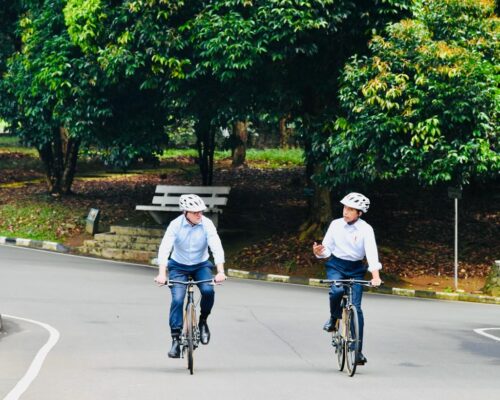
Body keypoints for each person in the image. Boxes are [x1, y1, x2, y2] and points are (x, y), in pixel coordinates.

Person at [312, 192, 382, 366]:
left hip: (356, 269)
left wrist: (375, 277)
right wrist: (319, 252)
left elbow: (371, 253)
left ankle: (357, 352)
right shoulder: (335, 225)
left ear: (359, 213)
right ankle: (333, 318)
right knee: (336, 290)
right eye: (345, 208)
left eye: (351, 210)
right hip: (336, 266)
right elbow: (327, 249)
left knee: (356, 309)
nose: (346, 212)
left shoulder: (366, 229)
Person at [154, 194, 226, 358]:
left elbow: (216, 246)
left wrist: (220, 271)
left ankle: (202, 322)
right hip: (178, 266)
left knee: (208, 291)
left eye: (201, 211)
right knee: (178, 299)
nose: (199, 215)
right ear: (185, 212)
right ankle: (175, 340)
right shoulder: (175, 225)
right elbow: (165, 248)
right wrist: (161, 273)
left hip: (201, 265)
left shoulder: (207, 224)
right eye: (195, 212)